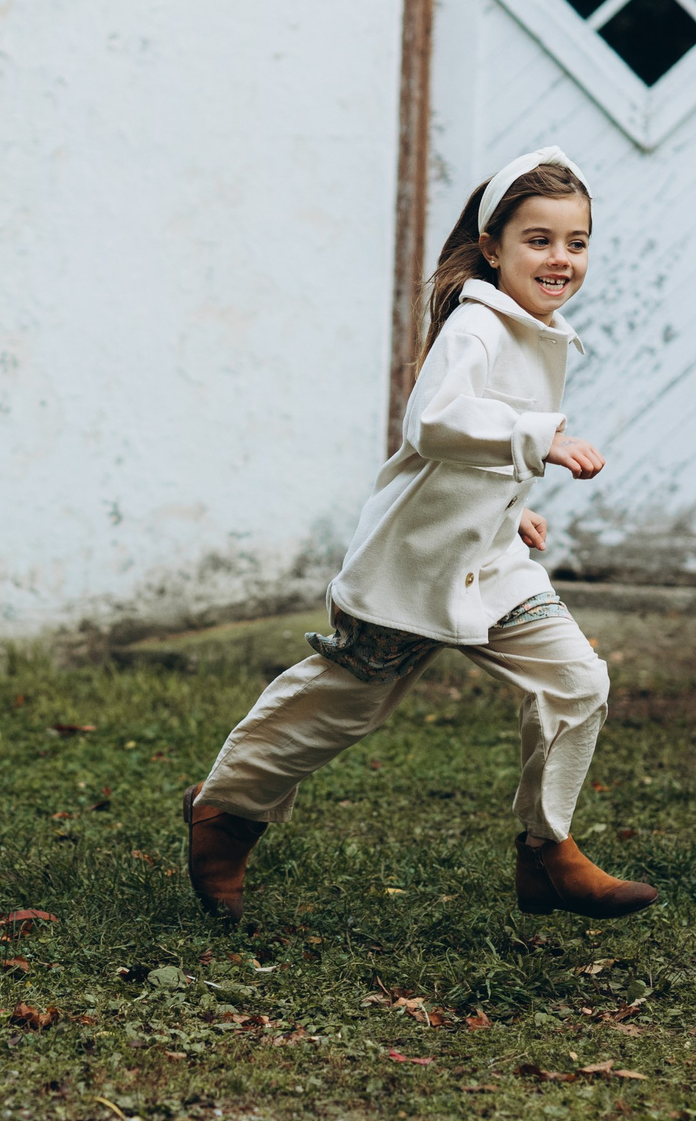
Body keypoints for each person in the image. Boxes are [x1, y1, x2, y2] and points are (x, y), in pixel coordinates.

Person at [182, 147, 657, 921]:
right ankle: (225, 813)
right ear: (493, 247)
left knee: (576, 679)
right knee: (343, 705)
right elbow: (432, 422)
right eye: (539, 240)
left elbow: (474, 456)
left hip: (490, 563)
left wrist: (509, 503)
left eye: (576, 242)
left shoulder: (540, 330)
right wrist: (538, 441)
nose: (560, 258)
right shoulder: (477, 326)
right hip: (415, 568)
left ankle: (547, 851)